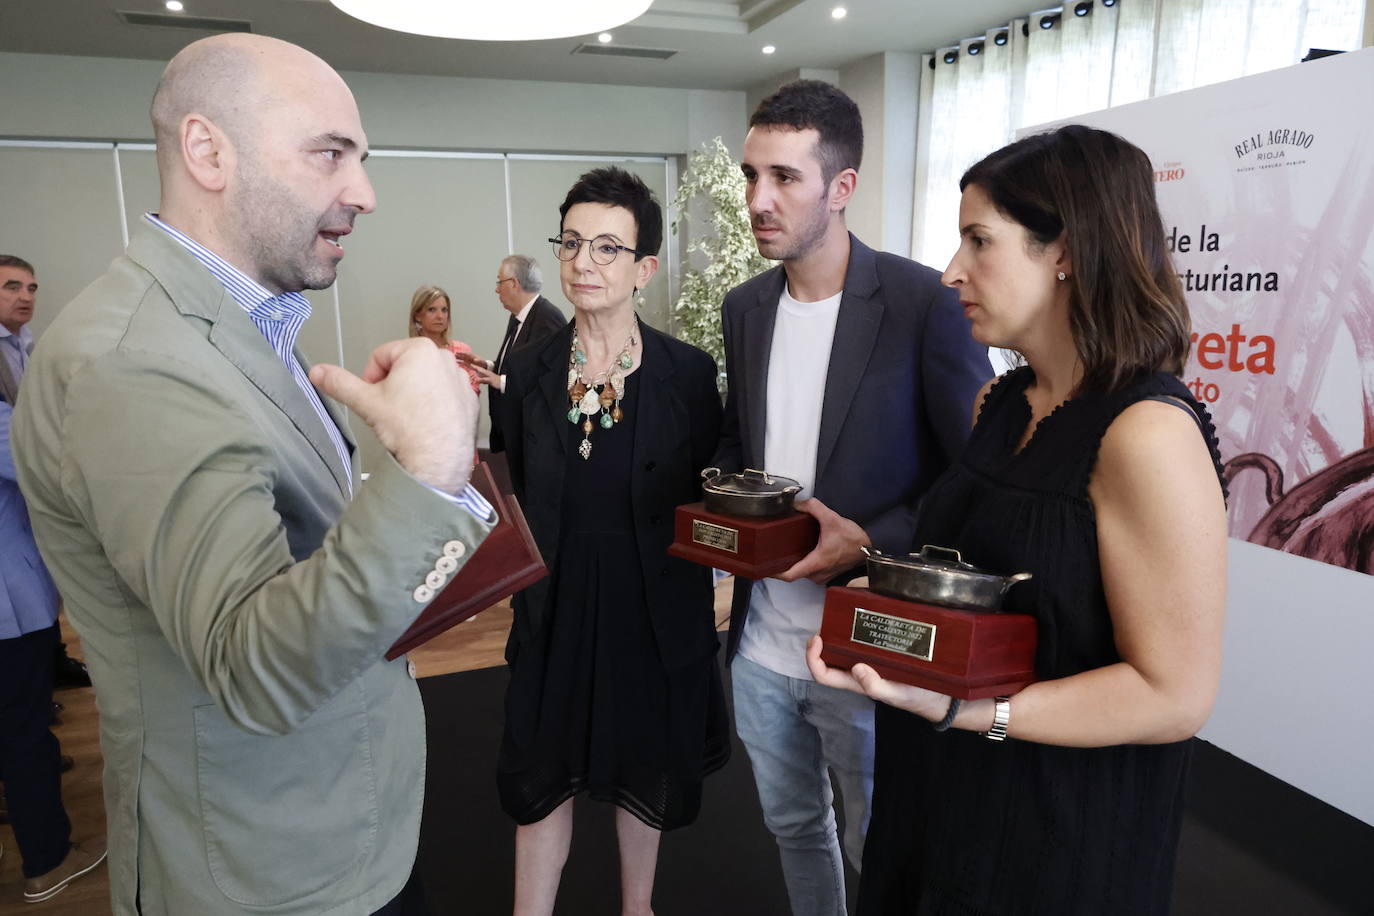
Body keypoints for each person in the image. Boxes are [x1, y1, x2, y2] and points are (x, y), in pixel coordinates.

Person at [11, 34, 495, 916]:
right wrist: (426, 471)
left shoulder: (242, 323)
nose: (365, 193)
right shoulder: (132, 363)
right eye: (330, 155)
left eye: (362, 159)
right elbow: (256, 666)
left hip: (337, 828)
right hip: (266, 873)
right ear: (207, 152)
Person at [806, 125, 1229, 915]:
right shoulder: (998, 406)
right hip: (942, 785)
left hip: (1057, 823)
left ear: (1064, 250)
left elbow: (1175, 696)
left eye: (978, 241)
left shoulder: (1146, 434)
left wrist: (975, 713)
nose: (950, 271)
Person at [712, 80, 991, 915]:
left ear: (841, 188)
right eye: (751, 174)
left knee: (884, 844)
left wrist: (870, 540)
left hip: (869, 649)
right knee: (795, 828)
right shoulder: (745, 307)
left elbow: (972, 477)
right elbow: (740, 444)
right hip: (760, 644)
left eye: (784, 178)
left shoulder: (923, 306)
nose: (758, 199)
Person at [497, 167, 729, 916]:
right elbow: (515, 495)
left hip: (651, 607)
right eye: (570, 244)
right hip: (555, 606)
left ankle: (640, 908)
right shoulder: (529, 369)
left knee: (644, 765)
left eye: (606, 247)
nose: (583, 263)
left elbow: (708, 496)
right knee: (541, 774)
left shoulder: (687, 375)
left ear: (643, 268)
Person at [0, 254, 107, 903]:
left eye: (31, 286)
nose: (27, 296)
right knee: (22, 727)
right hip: (9, 593)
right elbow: (34, 460)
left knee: (23, 716)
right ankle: (46, 860)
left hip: (24, 579)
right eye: (12, 286)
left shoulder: (23, 350)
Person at [469, 254, 565, 452]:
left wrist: (501, 382)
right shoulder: (518, 318)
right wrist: (487, 366)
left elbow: (553, 380)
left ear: (514, 283)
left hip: (535, 439)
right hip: (514, 434)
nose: (496, 289)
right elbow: (523, 368)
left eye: (499, 282)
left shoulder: (547, 319)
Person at [409, 283, 480, 391]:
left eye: (444, 310)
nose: (440, 316)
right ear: (417, 316)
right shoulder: (408, 354)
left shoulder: (462, 351)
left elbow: (474, 390)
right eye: (432, 310)